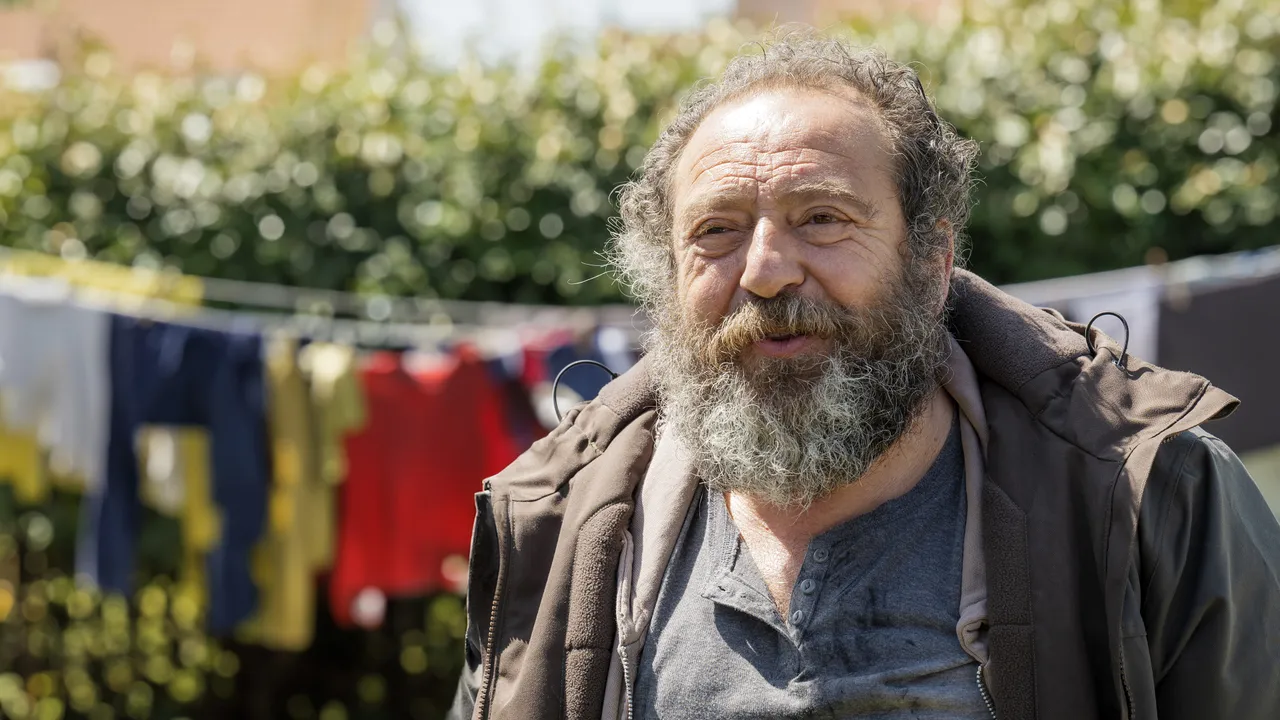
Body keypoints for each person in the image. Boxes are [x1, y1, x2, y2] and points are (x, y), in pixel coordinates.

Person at [449, 31, 1280, 720]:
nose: (765, 271)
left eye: (822, 218)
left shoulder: (1148, 494)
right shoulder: (556, 525)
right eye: (716, 231)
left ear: (933, 261)